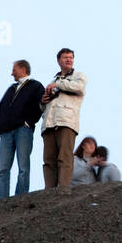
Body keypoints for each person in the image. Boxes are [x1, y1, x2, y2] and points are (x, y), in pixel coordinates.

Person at [0, 59, 45, 201]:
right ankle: (0, 200)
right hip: (6, 132)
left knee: (23, 167)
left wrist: (29, 122)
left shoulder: (36, 86)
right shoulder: (11, 88)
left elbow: (42, 105)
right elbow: (2, 106)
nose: (12, 73)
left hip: (23, 130)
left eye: (14, 70)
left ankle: (20, 198)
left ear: (23, 69)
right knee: (2, 169)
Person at [40, 48, 88, 188]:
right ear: (58, 61)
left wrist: (58, 84)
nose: (69, 59)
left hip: (67, 122)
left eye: (71, 57)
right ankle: (49, 190)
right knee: (49, 160)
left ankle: (64, 188)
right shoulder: (53, 80)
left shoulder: (79, 76)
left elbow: (79, 88)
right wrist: (43, 101)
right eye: (65, 57)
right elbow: (44, 107)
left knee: (65, 157)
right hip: (49, 124)